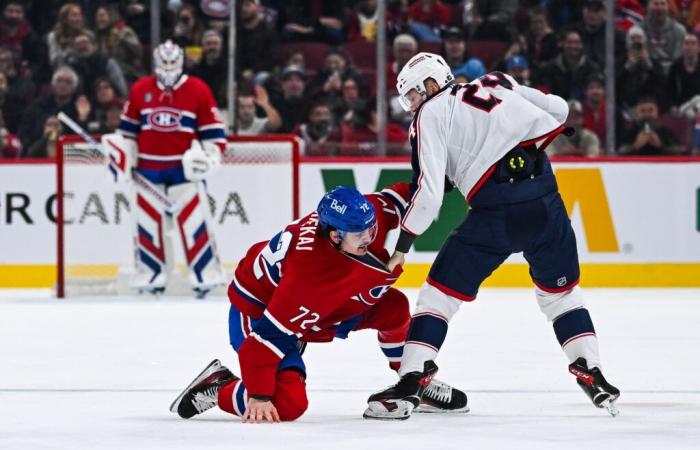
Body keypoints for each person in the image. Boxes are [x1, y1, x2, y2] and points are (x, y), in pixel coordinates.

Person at [362, 52, 620, 420]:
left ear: (432, 85)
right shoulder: (497, 80)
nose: (413, 105)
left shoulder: (429, 115)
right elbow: (559, 110)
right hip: (547, 202)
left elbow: (430, 195)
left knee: (438, 298)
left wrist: (402, 246)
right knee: (561, 296)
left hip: (495, 211)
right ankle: (591, 371)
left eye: (415, 95)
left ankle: (409, 384)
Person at [169, 184, 468, 423]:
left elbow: (398, 197)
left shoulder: (360, 216)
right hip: (261, 315)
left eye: (371, 228)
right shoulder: (310, 278)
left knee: (392, 308)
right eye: (359, 234)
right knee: (288, 405)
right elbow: (261, 345)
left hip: (310, 307)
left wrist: (434, 183)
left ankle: (413, 382)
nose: (369, 237)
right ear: (334, 235)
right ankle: (219, 386)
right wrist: (258, 396)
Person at [115, 40, 227, 297]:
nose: (167, 68)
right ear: (155, 64)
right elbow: (128, 134)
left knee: (195, 224)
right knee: (147, 226)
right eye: (163, 63)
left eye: (172, 63)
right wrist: (122, 157)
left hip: (183, 173)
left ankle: (205, 276)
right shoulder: (140, 89)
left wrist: (210, 159)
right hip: (147, 173)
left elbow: (214, 133)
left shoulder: (197, 89)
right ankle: (151, 274)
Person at [618, 97, 683, 155]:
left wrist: (660, 145)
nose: (647, 114)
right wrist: (635, 146)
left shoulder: (667, 133)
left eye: (651, 110)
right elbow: (618, 153)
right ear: (637, 113)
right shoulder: (630, 132)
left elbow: (680, 152)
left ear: (657, 112)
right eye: (642, 111)